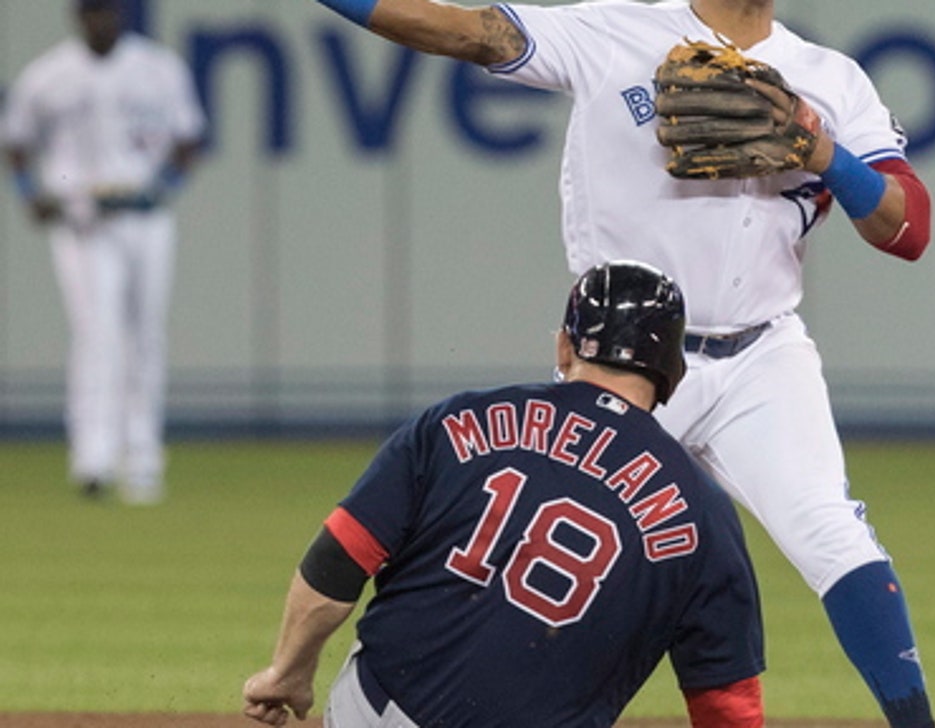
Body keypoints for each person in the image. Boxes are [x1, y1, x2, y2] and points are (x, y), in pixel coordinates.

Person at [311, 1, 935, 726]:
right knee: (555, 561)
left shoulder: (833, 80)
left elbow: (909, 228)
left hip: (763, 356)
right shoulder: (615, 31)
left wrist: (823, 151)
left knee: (832, 533)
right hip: (622, 358)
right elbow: (471, 30)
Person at [242, 261, 765, 727]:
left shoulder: (457, 418)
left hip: (377, 711)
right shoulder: (704, 511)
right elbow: (728, 701)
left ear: (564, 345)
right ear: (673, 373)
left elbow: (339, 557)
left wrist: (288, 674)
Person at [2, 0, 205, 505]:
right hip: (83, 218)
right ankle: (93, 458)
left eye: (107, 11)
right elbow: (16, 141)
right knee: (98, 333)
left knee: (146, 334)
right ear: (78, 17)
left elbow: (188, 138)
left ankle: (142, 461)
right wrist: (30, 193)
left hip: (144, 214)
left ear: (120, 15)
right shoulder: (49, 75)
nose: (101, 21)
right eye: (92, 12)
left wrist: (162, 186)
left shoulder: (157, 68)